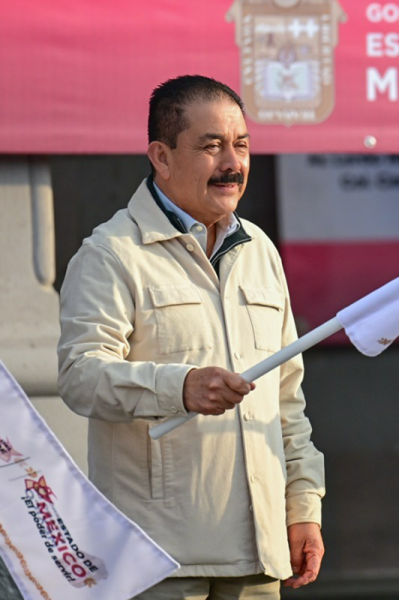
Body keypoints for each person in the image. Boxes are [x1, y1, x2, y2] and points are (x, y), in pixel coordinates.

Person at [57, 75, 325, 599]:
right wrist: (179, 387)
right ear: (161, 155)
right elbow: (79, 377)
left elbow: (286, 402)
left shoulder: (260, 252)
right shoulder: (111, 254)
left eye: (241, 144)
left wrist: (303, 509)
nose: (233, 163)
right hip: (158, 561)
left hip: (260, 556)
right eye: (211, 146)